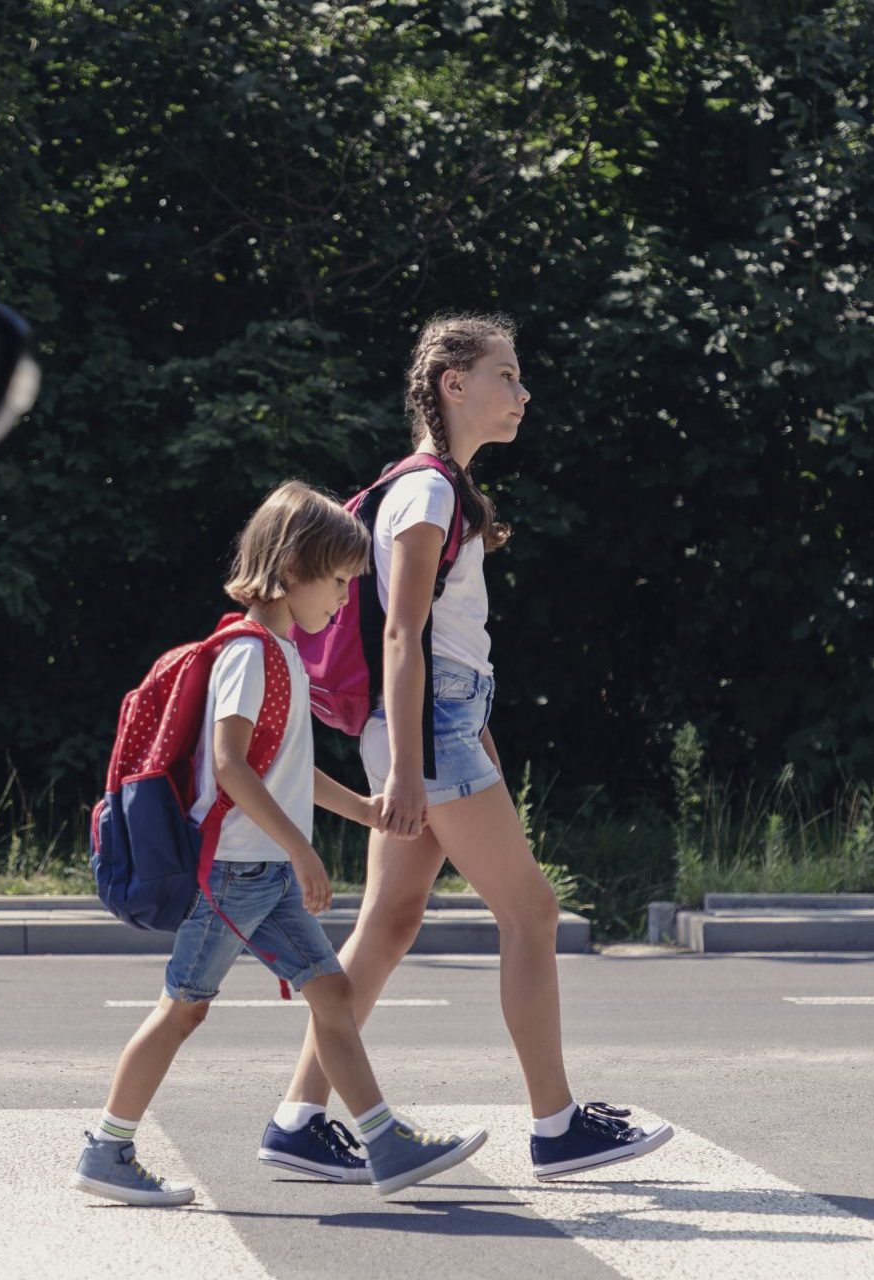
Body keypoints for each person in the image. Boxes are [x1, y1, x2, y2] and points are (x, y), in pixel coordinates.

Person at [266, 315, 673, 1184]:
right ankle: (557, 1126)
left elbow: (441, 644)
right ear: (454, 383)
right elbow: (403, 637)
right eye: (506, 375)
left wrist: (460, 739)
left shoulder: (435, 491)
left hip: (440, 724)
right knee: (530, 916)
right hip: (427, 728)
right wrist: (416, 767)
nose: (522, 393)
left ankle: (299, 1117)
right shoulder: (430, 494)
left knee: (389, 922)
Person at [72, 482, 488, 1207]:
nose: (340, 603)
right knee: (184, 1008)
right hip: (234, 873)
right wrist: (303, 851)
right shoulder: (248, 652)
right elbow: (232, 765)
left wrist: (362, 809)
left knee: (331, 992)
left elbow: (287, 769)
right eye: (335, 583)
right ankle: (108, 1149)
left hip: (256, 872)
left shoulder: (282, 655)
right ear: (291, 569)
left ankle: (384, 1142)